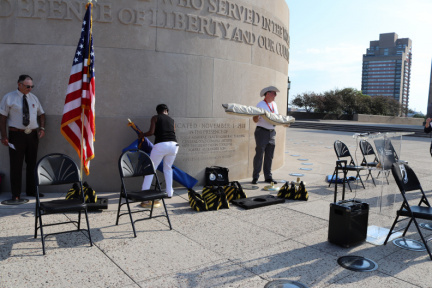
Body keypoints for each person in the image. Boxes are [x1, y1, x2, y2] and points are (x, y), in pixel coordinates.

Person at [0, 75, 46, 201]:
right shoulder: (9, 98)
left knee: (32, 163)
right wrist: (4, 136)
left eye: (31, 86)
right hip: (16, 135)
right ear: (19, 84)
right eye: (27, 86)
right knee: (16, 164)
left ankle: (31, 190)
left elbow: (41, 114)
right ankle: (16, 194)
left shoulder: (33, 98)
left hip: (32, 135)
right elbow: (2, 118)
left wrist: (42, 128)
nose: (30, 89)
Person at [139, 104, 179, 207]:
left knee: (151, 169)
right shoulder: (172, 120)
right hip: (174, 145)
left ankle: (145, 194)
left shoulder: (155, 118)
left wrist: (142, 134)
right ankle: (169, 193)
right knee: (168, 168)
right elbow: (173, 132)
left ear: (158, 111)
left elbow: (151, 132)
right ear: (166, 110)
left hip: (161, 145)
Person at [251, 86, 281, 184]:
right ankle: (255, 177)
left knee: (269, 156)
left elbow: (276, 115)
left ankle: (268, 177)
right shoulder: (260, 104)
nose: (275, 95)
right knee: (259, 155)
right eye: (274, 93)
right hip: (262, 132)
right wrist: (255, 115)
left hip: (272, 132)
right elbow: (255, 120)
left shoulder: (274, 104)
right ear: (268, 94)